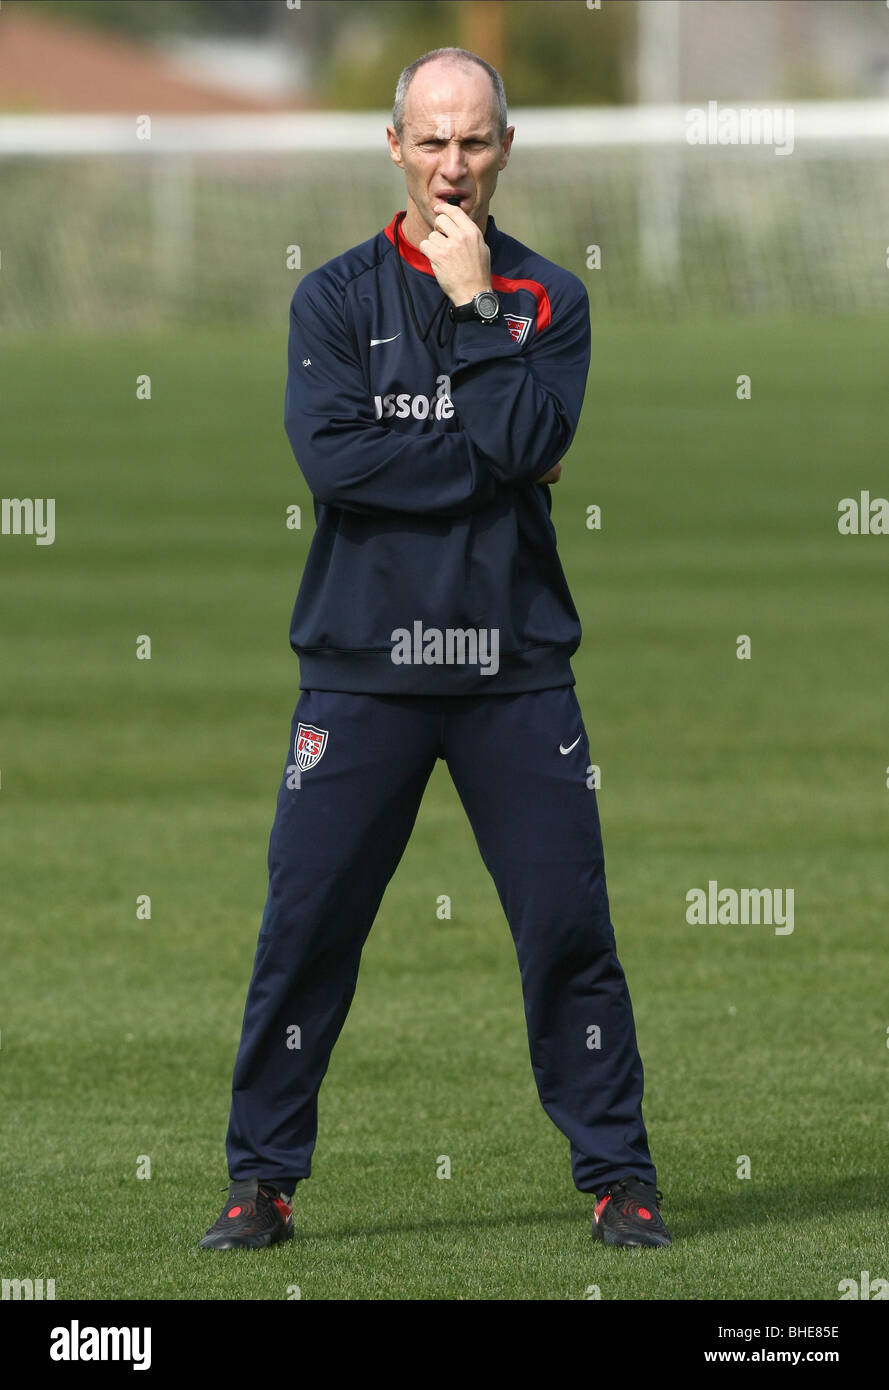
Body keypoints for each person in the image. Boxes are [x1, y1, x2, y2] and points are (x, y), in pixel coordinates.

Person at [200, 46, 670, 1253]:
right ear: (394, 147)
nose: (452, 167)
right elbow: (339, 466)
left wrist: (473, 312)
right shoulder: (334, 299)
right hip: (361, 670)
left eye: (474, 142)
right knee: (303, 933)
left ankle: (620, 1177)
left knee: (568, 929)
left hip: (514, 670)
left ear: (504, 149)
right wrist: (501, 450)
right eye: (432, 140)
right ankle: (261, 1182)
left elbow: (521, 435)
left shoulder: (547, 297)